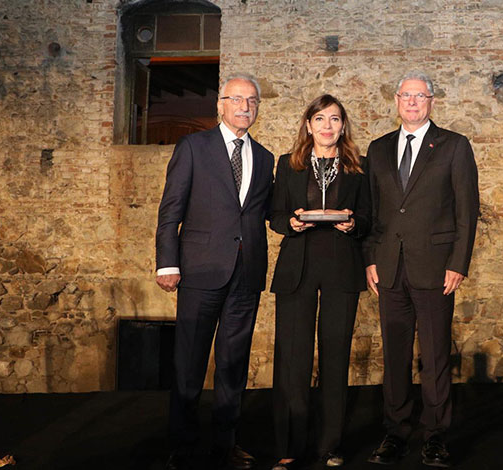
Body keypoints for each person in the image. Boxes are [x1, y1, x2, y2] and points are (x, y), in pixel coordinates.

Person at [155, 73, 275, 470]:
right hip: (199, 271)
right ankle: (183, 447)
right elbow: (171, 210)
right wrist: (167, 263)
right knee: (189, 363)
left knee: (233, 364)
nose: (245, 106)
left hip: (246, 274)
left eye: (252, 101)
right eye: (237, 99)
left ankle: (226, 445)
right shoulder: (193, 146)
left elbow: (265, 212)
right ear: (220, 104)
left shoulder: (266, 158)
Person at [364, 71, 480, 468]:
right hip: (389, 269)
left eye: (420, 96)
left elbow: (467, 210)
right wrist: (370, 258)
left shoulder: (454, 146)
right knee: (394, 357)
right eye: (406, 95)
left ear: (432, 101)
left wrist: (458, 263)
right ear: (396, 100)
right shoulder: (378, 148)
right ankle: (395, 432)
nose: (412, 102)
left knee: (434, 357)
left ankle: (435, 436)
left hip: (436, 268)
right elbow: (372, 211)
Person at [268, 95, 371, 470]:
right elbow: (275, 214)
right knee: (292, 360)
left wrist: (353, 223)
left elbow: (369, 218)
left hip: (342, 267)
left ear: (343, 127)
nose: (328, 126)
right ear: (308, 125)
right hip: (297, 267)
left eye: (335, 119)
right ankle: (289, 446)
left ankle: (330, 445)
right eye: (320, 119)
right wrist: (292, 222)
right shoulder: (287, 164)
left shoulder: (359, 166)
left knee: (335, 357)